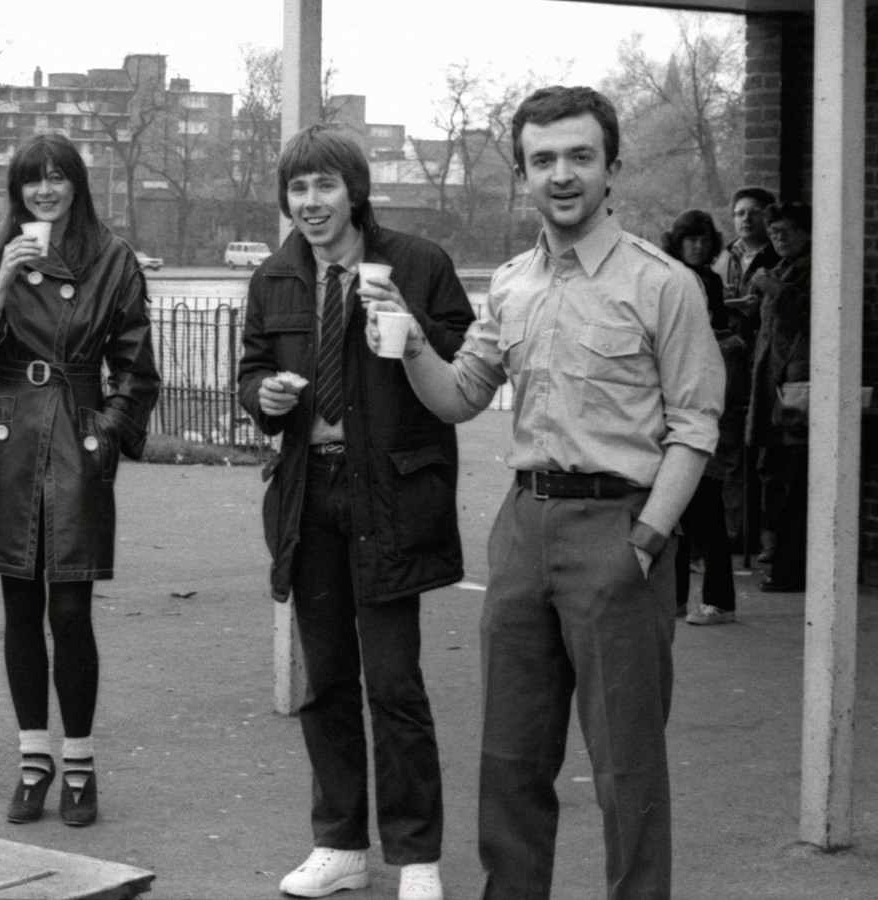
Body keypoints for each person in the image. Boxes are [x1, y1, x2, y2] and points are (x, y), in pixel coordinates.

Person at [365, 86, 724, 899]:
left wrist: (646, 541)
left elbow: (695, 426)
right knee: (511, 757)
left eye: (579, 156)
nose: (562, 174)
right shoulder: (513, 284)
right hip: (524, 529)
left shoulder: (664, 284)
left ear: (611, 169)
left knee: (627, 764)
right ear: (524, 174)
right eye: (543, 159)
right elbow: (459, 395)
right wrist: (412, 340)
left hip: (620, 530)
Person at [236, 125, 472, 900]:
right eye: (298, 188)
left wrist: (410, 324)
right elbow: (251, 371)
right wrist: (264, 397)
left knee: (395, 683)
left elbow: (467, 369)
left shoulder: (420, 264)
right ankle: (339, 844)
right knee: (327, 680)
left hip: (389, 495)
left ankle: (416, 856)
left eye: (325, 186)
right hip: (309, 493)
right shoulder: (275, 277)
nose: (311, 202)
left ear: (355, 191)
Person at [0, 132, 160, 828]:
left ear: (76, 185)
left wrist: (106, 433)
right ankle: (33, 760)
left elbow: (136, 367)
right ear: (17, 189)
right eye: (32, 179)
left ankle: (81, 761)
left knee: (70, 609)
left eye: (58, 177)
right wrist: (1, 284)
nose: (45, 190)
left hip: (75, 434)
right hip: (10, 435)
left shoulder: (112, 257)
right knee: (18, 607)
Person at [661, 209, 740, 625]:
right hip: (675, 400)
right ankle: (674, 597)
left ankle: (719, 600)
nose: (698, 245)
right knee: (676, 506)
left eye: (704, 239)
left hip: (701, 401)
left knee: (706, 504)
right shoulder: (673, 278)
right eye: (690, 238)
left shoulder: (705, 282)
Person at [742, 201, 812, 593]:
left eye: (785, 231)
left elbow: (809, 314)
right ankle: (774, 549)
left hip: (797, 388)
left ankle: (788, 560)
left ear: (804, 230)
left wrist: (774, 291)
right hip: (772, 384)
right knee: (772, 469)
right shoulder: (783, 268)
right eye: (772, 233)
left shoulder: (813, 267)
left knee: (791, 474)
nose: (778, 239)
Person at [712, 186, 778, 553]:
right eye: (740, 213)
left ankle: (755, 532)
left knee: (757, 448)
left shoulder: (776, 253)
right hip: (730, 358)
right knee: (729, 444)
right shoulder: (725, 255)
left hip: (761, 359)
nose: (746, 219)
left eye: (754, 212)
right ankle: (732, 529)